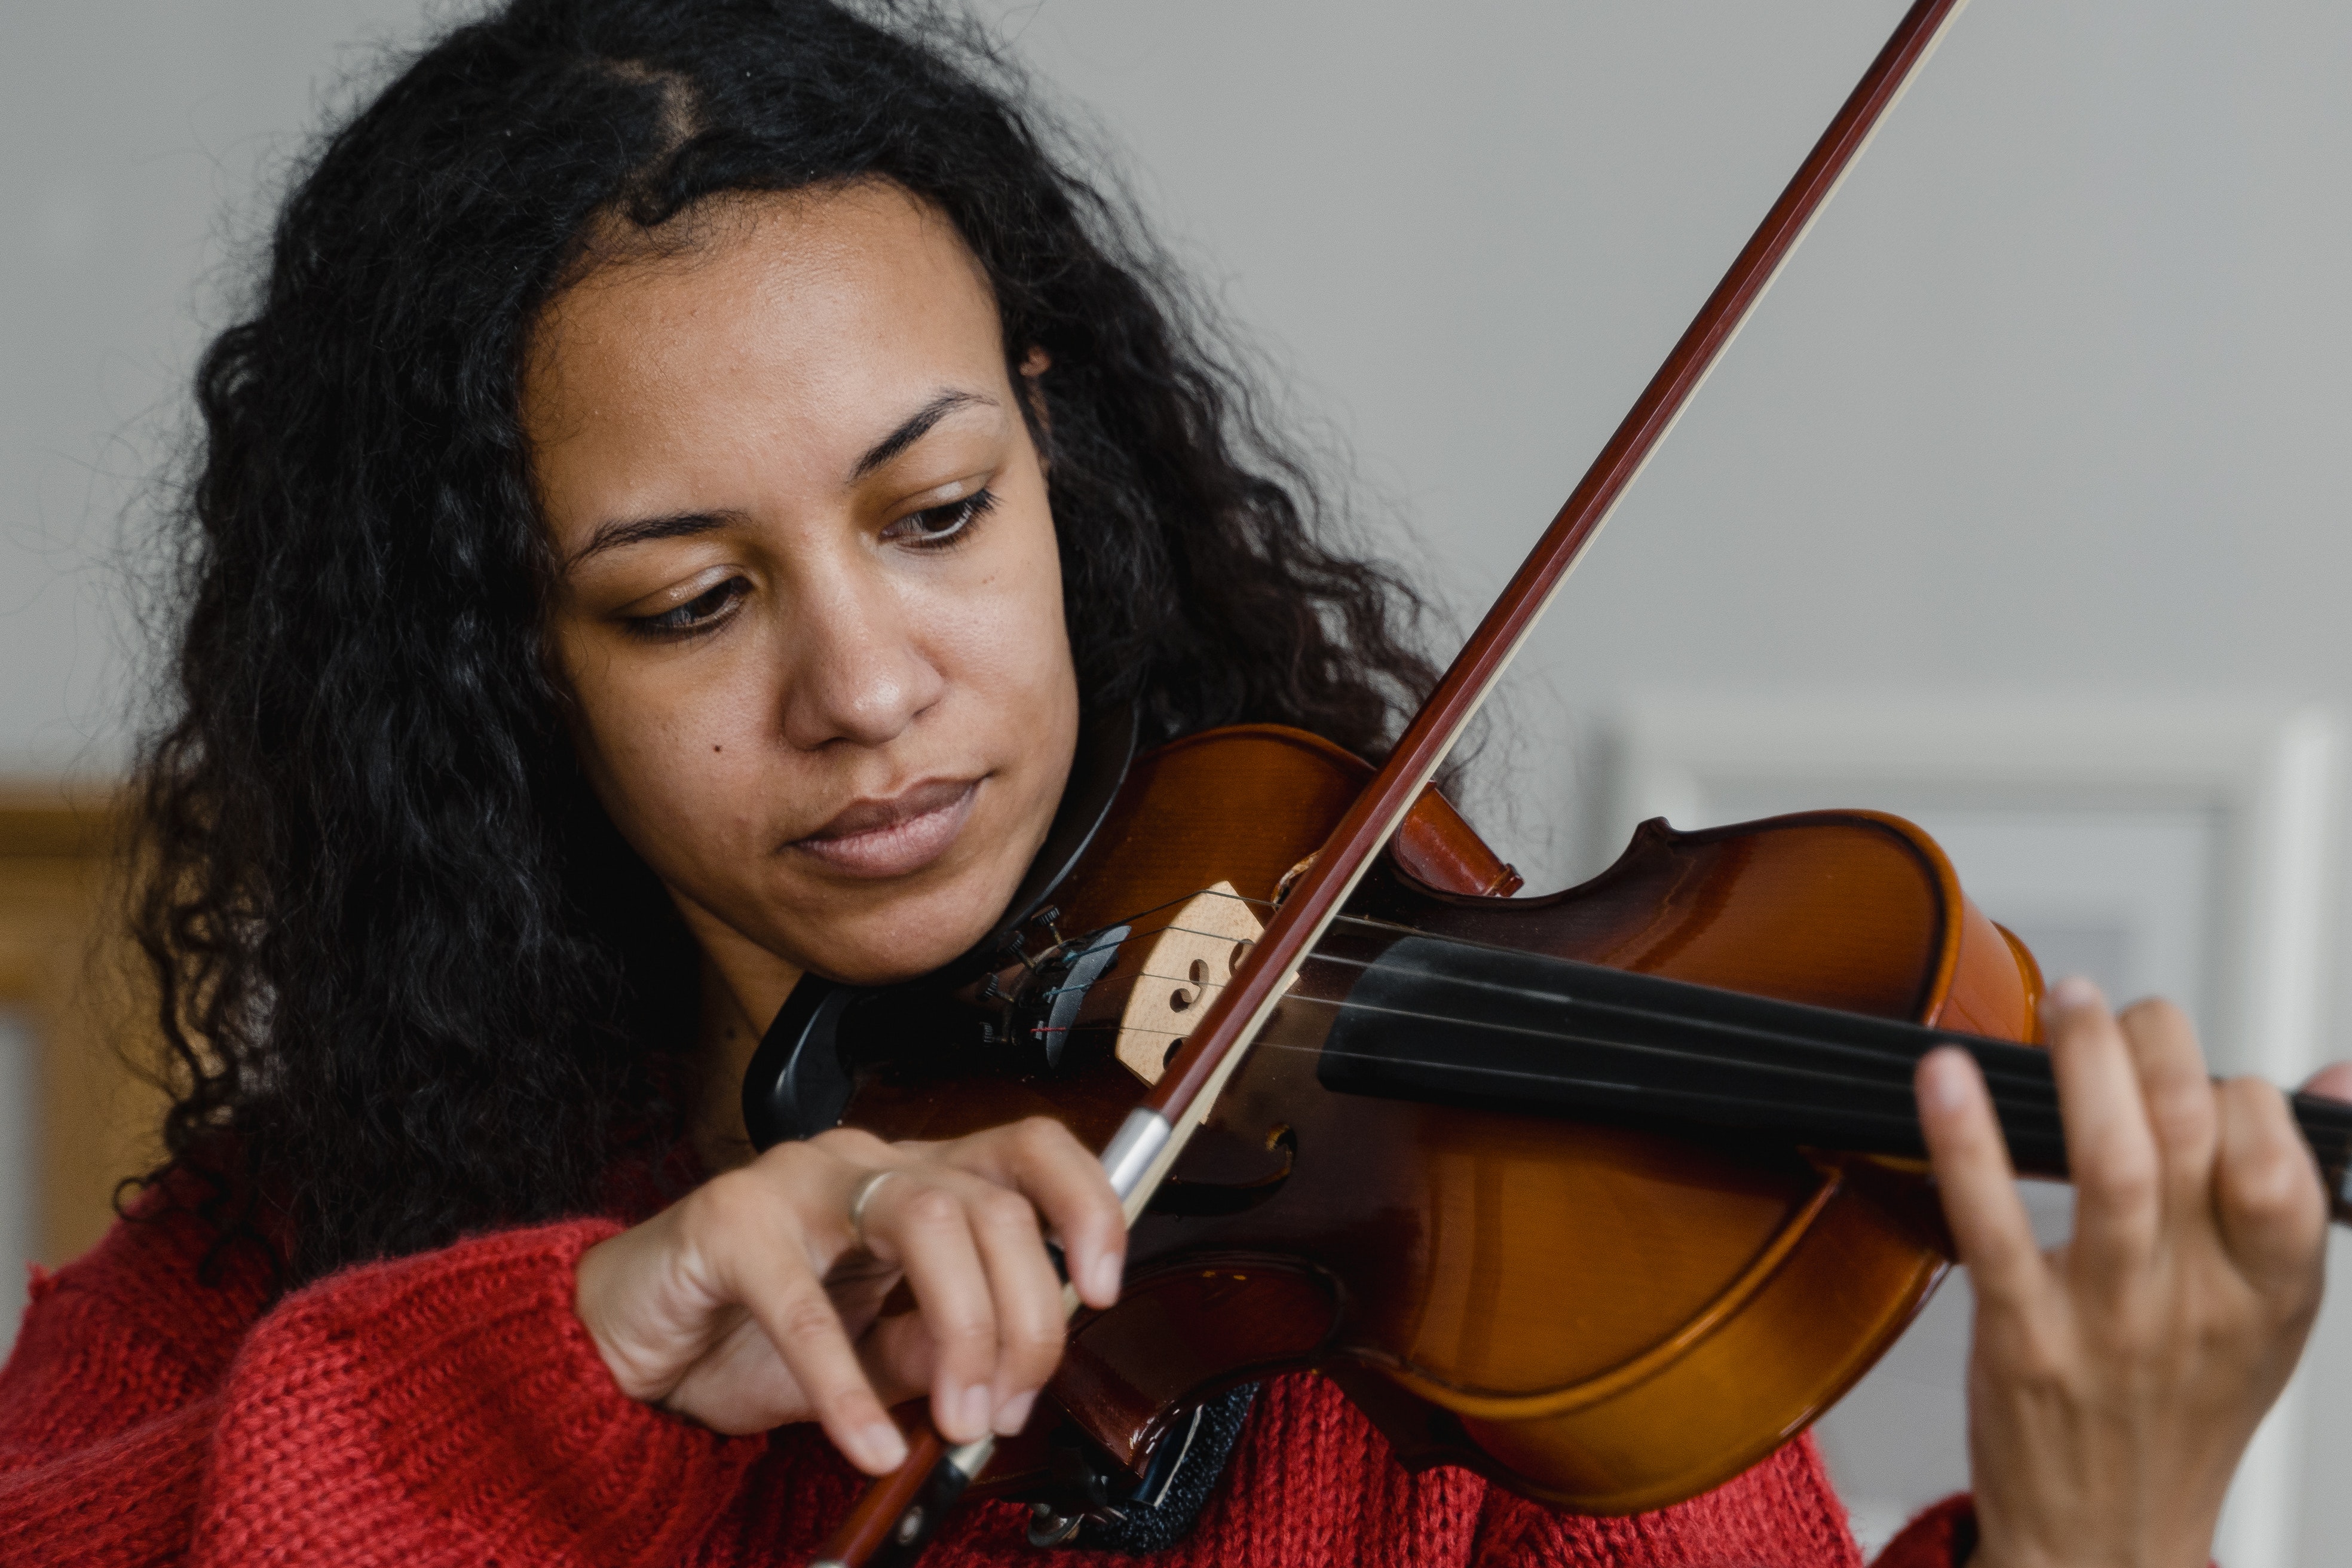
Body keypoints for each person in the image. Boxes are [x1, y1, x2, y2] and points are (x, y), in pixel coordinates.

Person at [1, 3, 2338, 1564]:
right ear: (493, 665)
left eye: (937, 516)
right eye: (691, 602)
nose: (869, 686)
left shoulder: (1460, 1253)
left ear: (1059, 453)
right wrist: (582, 1353)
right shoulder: (264, 1274)